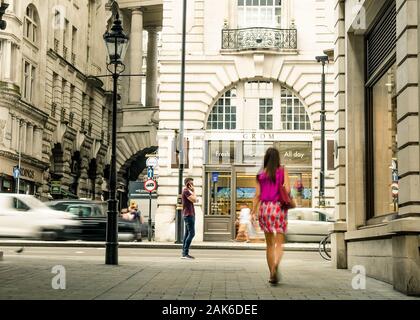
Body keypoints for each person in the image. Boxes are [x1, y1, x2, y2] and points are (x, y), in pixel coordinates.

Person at [251, 147, 291, 285]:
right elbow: (287, 190)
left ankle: (272, 273)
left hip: (265, 209)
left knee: (269, 244)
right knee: (279, 242)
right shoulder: (282, 171)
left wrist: (252, 212)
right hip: (278, 208)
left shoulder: (260, 175)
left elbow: (257, 195)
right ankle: (276, 265)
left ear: (266, 158)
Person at [181, 177, 197, 259]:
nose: (193, 185)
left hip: (189, 214)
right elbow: (194, 200)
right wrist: (194, 191)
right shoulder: (186, 191)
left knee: (187, 234)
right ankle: (185, 253)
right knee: (192, 233)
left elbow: (194, 200)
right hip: (189, 215)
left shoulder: (187, 191)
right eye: (191, 183)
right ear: (188, 183)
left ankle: (184, 253)